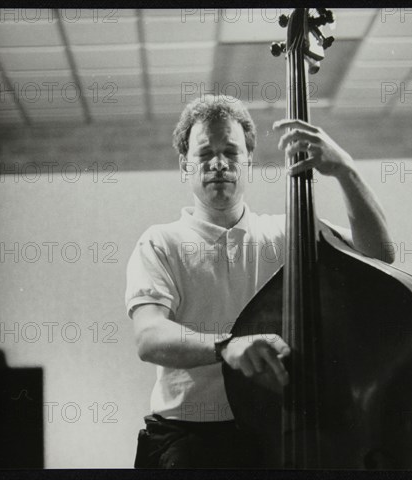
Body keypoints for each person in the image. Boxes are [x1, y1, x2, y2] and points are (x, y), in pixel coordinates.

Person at [125, 95, 394, 468]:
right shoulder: (160, 241)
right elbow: (149, 336)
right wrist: (227, 347)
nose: (219, 163)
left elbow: (379, 256)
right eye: (205, 154)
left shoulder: (288, 232)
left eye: (231, 152)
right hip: (189, 438)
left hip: (275, 433)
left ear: (248, 161)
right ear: (185, 166)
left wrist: (345, 170)